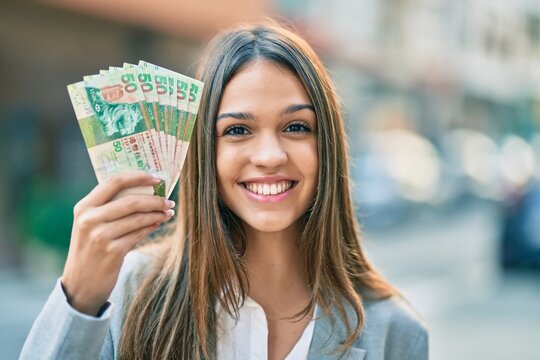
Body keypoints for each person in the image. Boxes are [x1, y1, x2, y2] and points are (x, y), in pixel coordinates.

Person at [20, 22, 428, 360]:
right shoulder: (131, 292)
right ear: (203, 153)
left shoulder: (394, 332)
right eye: (237, 130)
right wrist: (78, 299)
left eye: (296, 127)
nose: (269, 155)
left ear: (329, 148)